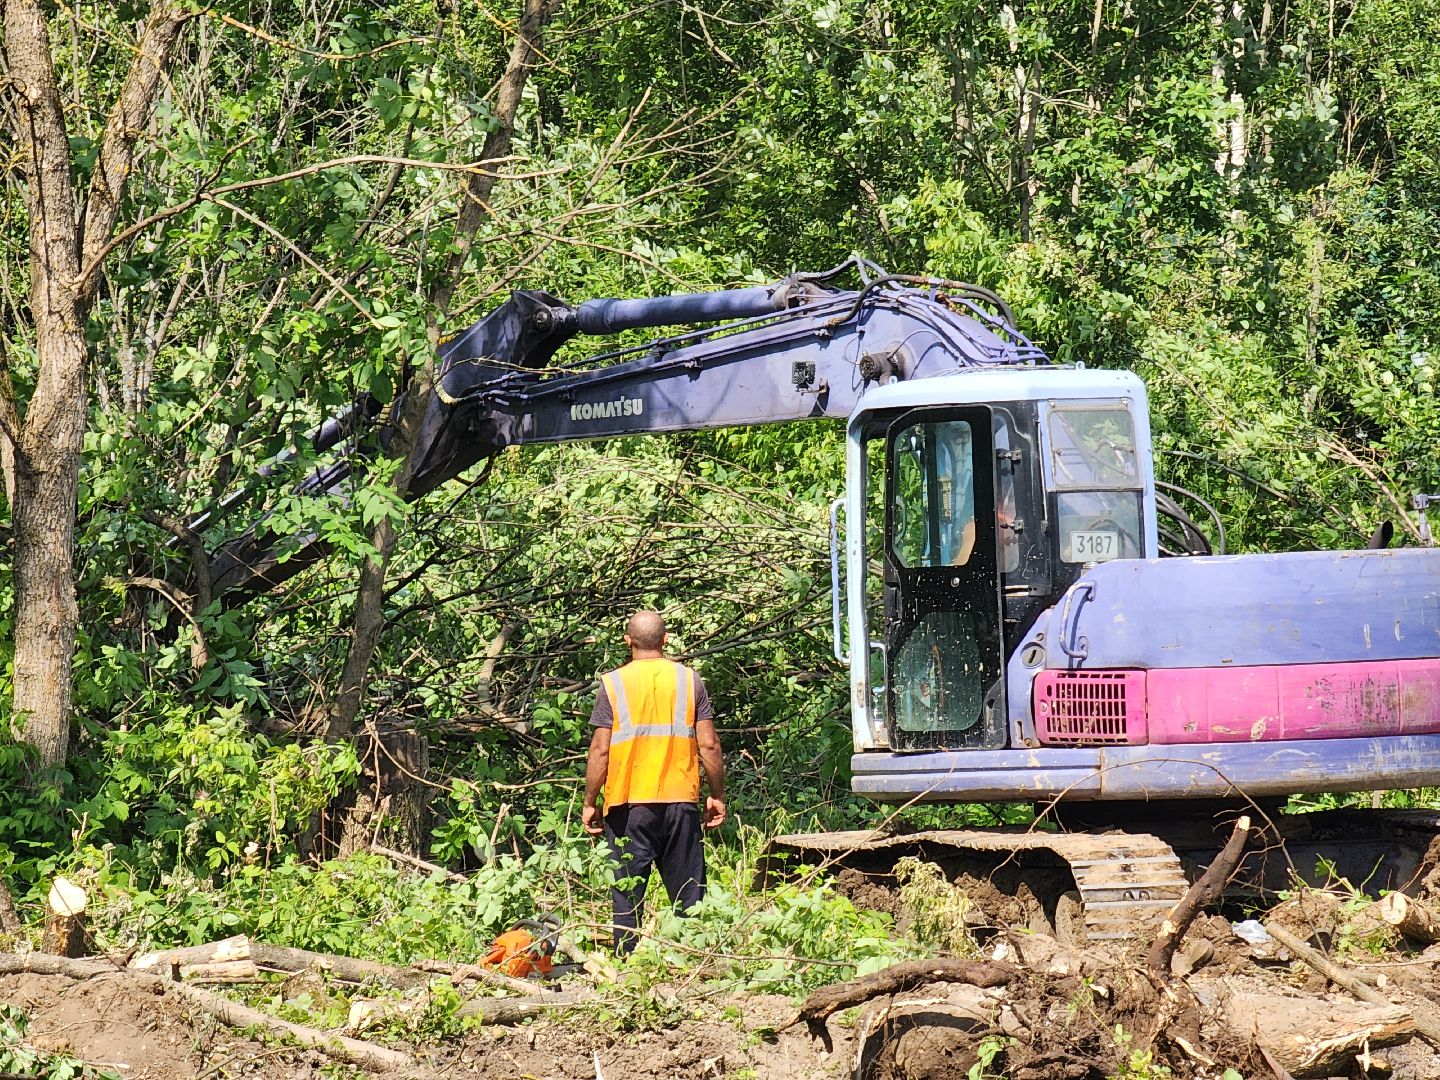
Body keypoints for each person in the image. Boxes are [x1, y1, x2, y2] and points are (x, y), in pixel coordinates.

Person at [581, 610, 726, 954]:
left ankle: (627, 965)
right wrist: (717, 795)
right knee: (689, 895)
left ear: (627, 641)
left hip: (629, 806)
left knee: (627, 896)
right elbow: (709, 744)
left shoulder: (613, 683)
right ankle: (692, 963)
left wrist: (590, 801)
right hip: (680, 801)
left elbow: (601, 750)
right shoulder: (689, 680)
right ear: (665, 640)